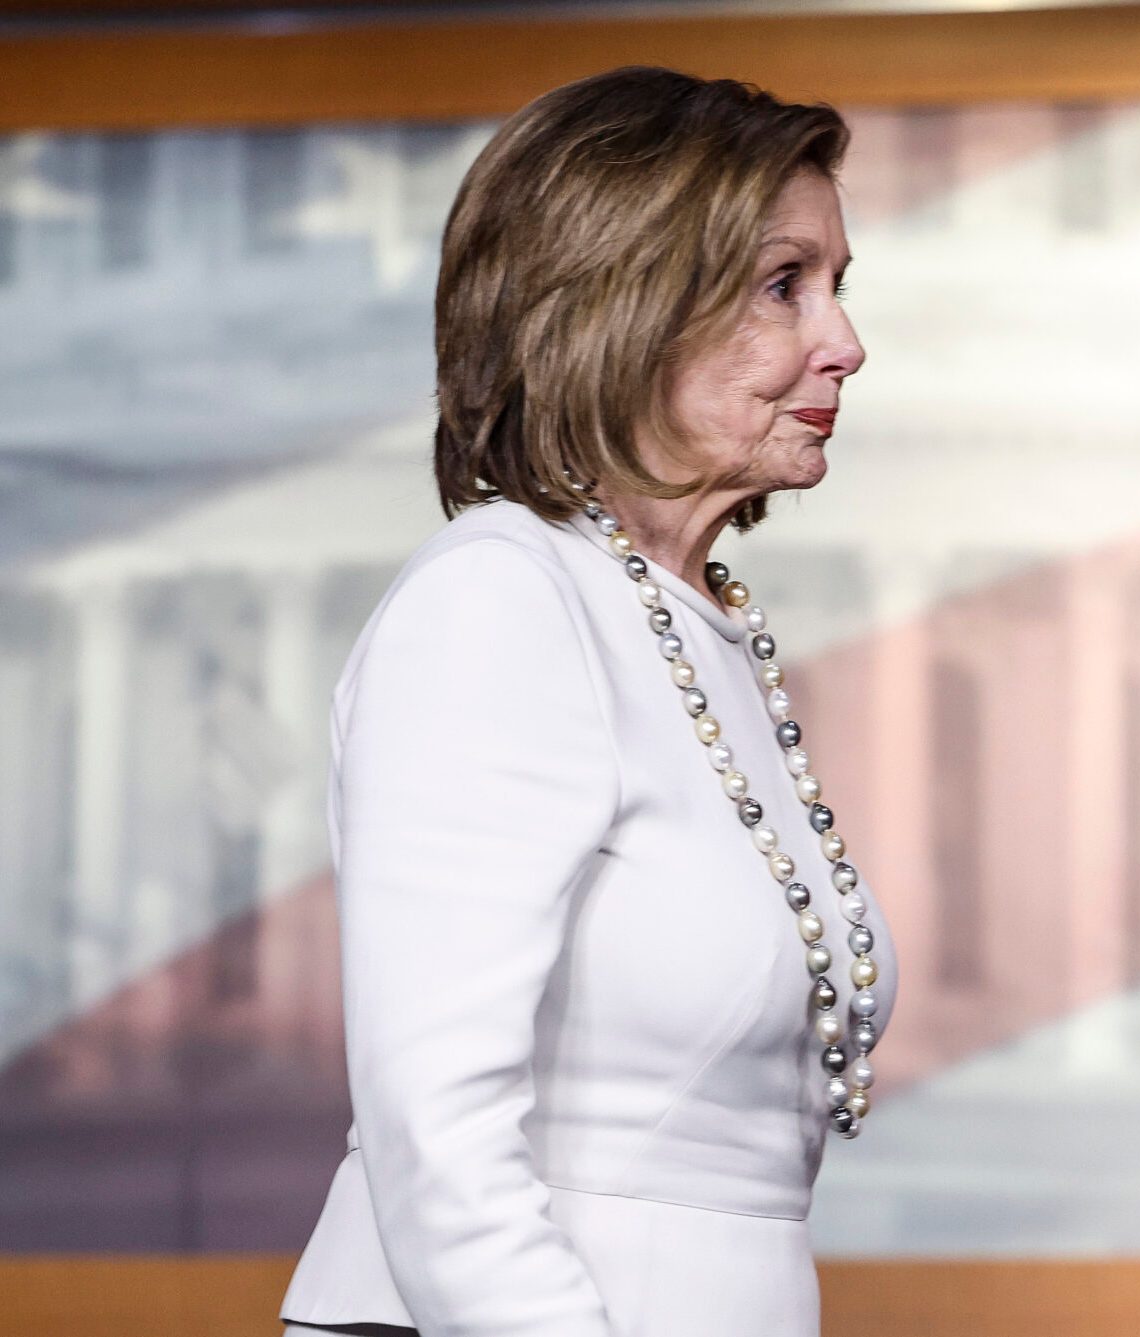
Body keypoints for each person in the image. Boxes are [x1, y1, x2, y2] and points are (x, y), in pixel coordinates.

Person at [279, 64, 897, 1337]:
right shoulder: (499, 599)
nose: (843, 341)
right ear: (625, 304)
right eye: (785, 285)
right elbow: (433, 1126)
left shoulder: (694, 621)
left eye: (837, 286)